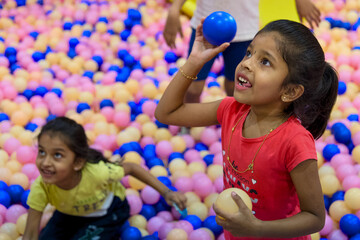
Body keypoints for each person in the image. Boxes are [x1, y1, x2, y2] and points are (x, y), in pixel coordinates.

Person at [156, 19, 338, 239]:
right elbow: (166, 113)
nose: (247, 64)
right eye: (249, 53)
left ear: (290, 92)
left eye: (265, 62)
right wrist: (194, 62)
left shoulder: (294, 141)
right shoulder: (231, 110)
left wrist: (258, 229)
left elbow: (315, 217)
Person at [23, 117, 187, 240]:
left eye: (57, 155)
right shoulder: (42, 186)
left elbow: (131, 167)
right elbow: (30, 233)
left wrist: (166, 192)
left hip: (107, 212)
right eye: (42, 152)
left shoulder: (97, 173)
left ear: (78, 162)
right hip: (68, 214)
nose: (45, 162)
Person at [163, 0, 321, 103]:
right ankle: (188, 121)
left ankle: (235, 124)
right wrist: (174, 9)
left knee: (235, 87)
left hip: (244, 30)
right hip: (207, 26)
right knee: (193, 88)